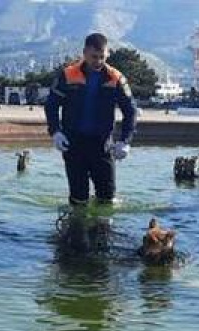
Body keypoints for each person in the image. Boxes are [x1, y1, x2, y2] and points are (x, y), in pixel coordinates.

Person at [45, 33, 137, 206]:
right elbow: (51, 105)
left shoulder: (116, 78)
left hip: (102, 145)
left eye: (102, 57)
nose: (98, 61)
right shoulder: (67, 75)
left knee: (107, 199)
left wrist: (125, 141)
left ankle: (103, 231)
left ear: (107, 54)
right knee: (78, 198)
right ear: (85, 53)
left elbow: (130, 110)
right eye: (94, 57)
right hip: (73, 144)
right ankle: (75, 231)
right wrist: (55, 132)